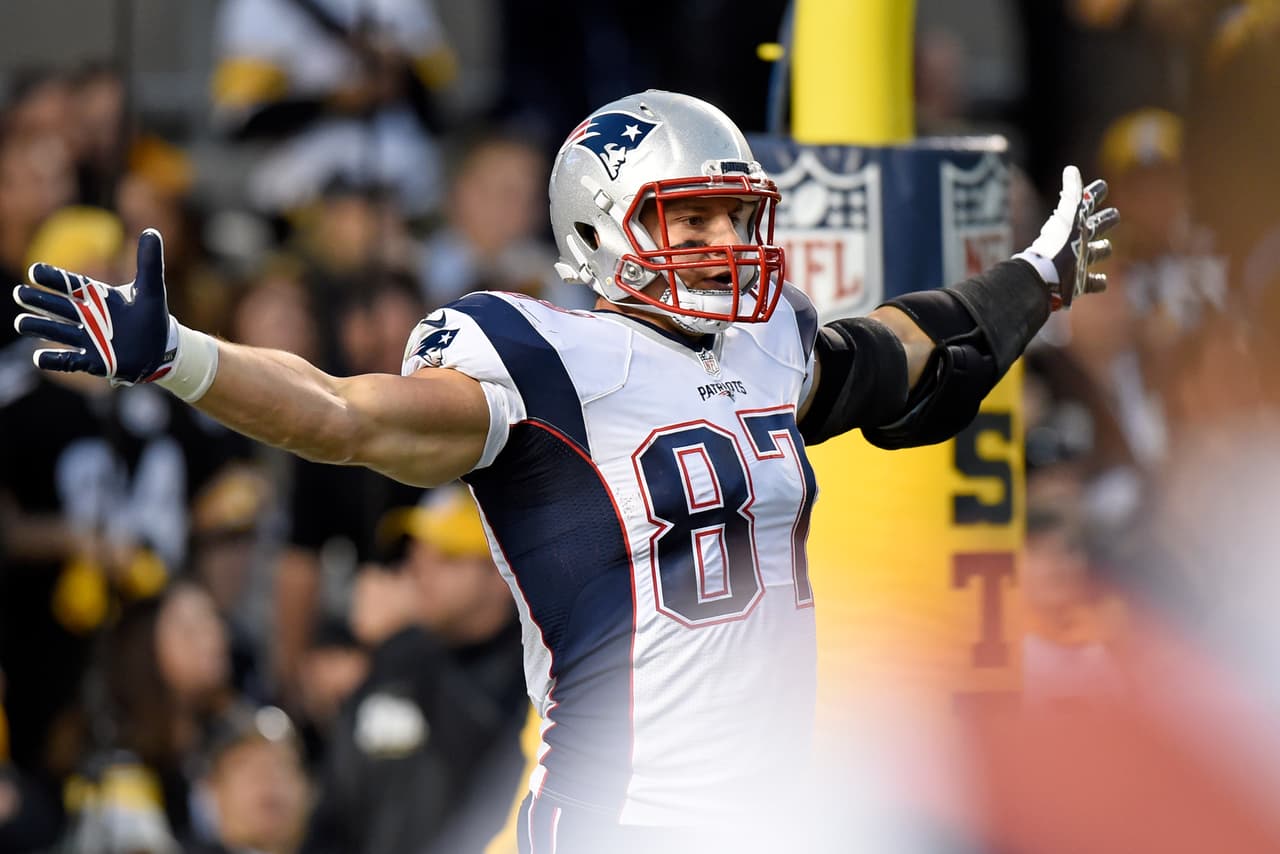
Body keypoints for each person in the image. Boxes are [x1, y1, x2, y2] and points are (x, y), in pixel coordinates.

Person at [11, 90, 1117, 852]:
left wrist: (1035, 278)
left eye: (736, 214)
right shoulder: (546, 361)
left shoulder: (770, 343)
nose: (725, 240)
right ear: (599, 230)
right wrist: (182, 355)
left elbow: (907, 347)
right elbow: (343, 414)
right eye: (692, 217)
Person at [302, 484, 524, 854]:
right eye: (416, 554)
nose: (420, 571)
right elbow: (335, 812)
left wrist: (401, 641)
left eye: (447, 557)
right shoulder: (396, 663)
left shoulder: (536, 668)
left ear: (501, 575)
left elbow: (486, 766)